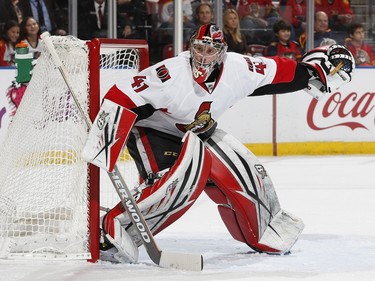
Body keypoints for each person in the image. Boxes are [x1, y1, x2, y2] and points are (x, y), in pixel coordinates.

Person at [81, 24, 355, 263]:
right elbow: (123, 95)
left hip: (198, 133)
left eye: (210, 51)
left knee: (242, 171)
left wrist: (317, 70)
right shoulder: (170, 73)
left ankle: (264, 228)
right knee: (178, 181)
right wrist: (108, 135)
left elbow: (280, 71)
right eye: (198, 48)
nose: (202, 56)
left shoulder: (240, 68)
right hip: (152, 131)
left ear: (221, 52)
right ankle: (112, 229)